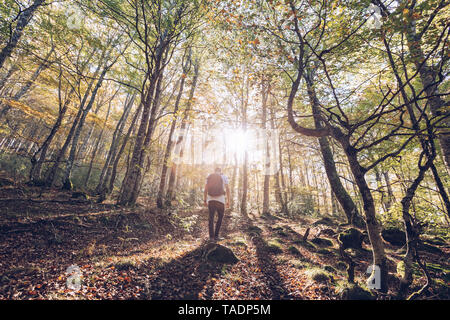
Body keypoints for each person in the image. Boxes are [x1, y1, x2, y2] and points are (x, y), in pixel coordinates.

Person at [204, 167, 230, 242]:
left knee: (211, 218)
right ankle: (216, 236)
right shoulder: (224, 176)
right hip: (221, 200)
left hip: (211, 200)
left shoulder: (209, 176)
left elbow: (205, 189)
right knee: (220, 218)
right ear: (220, 171)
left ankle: (211, 237)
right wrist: (228, 201)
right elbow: (227, 189)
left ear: (214, 171)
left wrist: (205, 200)